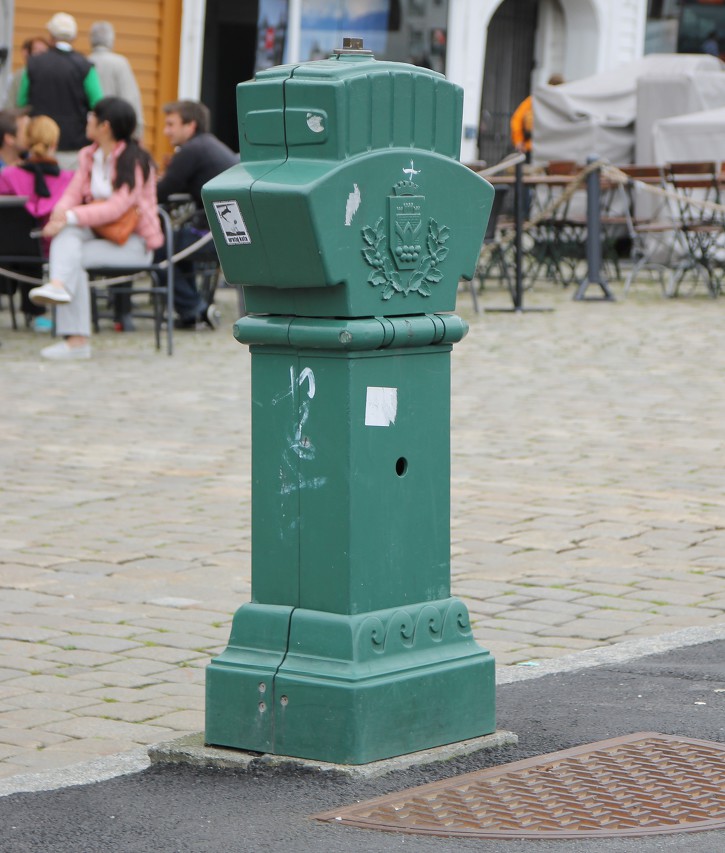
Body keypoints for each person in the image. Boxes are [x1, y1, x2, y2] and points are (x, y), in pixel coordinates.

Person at [28, 97, 163, 360]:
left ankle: (76, 338)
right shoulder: (88, 155)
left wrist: (69, 215)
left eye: (92, 116)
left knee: (71, 253)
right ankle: (58, 289)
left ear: (105, 126)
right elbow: (73, 192)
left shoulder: (136, 160)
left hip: (135, 243)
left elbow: (116, 208)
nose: (87, 119)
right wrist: (60, 214)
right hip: (101, 236)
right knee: (68, 241)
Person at [156, 100, 237, 328]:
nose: (166, 131)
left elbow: (161, 192)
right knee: (176, 246)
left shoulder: (191, 150)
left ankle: (196, 310)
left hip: (216, 237)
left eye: (171, 124)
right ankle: (193, 312)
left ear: (190, 125)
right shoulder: (209, 145)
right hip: (232, 233)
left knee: (160, 253)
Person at [0, 115, 74, 331]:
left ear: (27, 142)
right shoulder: (69, 179)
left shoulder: (7, 175)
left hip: (7, 251)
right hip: (51, 250)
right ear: (55, 144)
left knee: (20, 236)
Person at [16, 13, 104, 170]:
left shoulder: (33, 64)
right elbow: (98, 103)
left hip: (39, 144)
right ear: (74, 37)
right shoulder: (85, 66)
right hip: (74, 144)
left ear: (50, 36)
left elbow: (21, 102)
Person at [88, 22, 144, 140]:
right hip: (116, 133)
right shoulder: (120, 63)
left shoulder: (85, 62)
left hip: (91, 132)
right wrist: (137, 133)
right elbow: (131, 98)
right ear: (111, 40)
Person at [510, 73, 564, 160]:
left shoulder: (534, 100)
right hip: (533, 147)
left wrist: (519, 141)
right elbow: (518, 119)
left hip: (539, 147)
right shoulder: (535, 100)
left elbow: (517, 118)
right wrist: (519, 141)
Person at [2, 36, 49, 111]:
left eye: (42, 52)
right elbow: (11, 101)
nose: (39, 54)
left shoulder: (50, 75)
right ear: (29, 53)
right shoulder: (21, 74)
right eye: (36, 50)